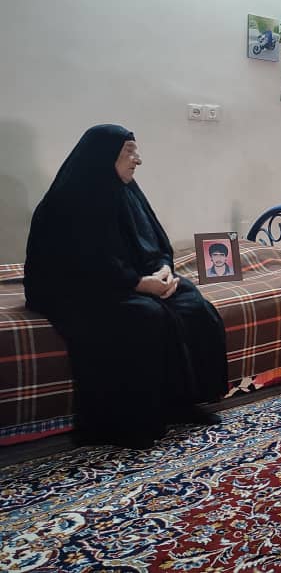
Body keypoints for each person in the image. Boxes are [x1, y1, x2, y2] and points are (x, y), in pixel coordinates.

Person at [24, 125, 228, 449]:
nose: (138, 160)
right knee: (144, 316)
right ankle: (132, 421)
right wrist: (138, 284)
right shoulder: (67, 201)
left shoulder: (128, 192)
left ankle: (182, 403)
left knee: (191, 303)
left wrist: (164, 269)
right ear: (104, 157)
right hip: (77, 289)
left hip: (128, 280)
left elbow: (156, 241)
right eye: (129, 152)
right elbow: (80, 265)